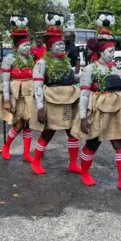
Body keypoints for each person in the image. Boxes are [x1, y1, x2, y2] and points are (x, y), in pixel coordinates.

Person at [70, 11, 121, 193]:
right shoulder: (90, 69)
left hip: (115, 110)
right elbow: (83, 95)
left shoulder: (112, 67)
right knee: (93, 143)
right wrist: (83, 118)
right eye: (110, 51)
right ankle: (84, 173)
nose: (112, 54)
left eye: (114, 51)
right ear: (100, 51)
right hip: (97, 110)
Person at [29, 12, 82, 175]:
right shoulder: (42, 63)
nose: (61, 46)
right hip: (51, 101)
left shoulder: (66, 62)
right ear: (50, 47)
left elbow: (73, 77)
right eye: (57, 44)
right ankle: (36, 161)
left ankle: (73, 163)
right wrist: (40, 108)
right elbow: (37, 86)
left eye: (61, 44)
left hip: (68, 100)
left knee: (72, 132)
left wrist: (88, 74)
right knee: (49, 132)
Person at [0, 15, 35, 161]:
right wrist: (7, 100)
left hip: (28, 94)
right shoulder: (9, 59)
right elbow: (5, 81)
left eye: (28, 44)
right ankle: (6, 146)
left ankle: (26, 153)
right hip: (15, 95)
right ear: (15, 47)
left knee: (29, 123)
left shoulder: (30, 58)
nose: (28, 47)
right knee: (18, 124)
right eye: (25, 45)